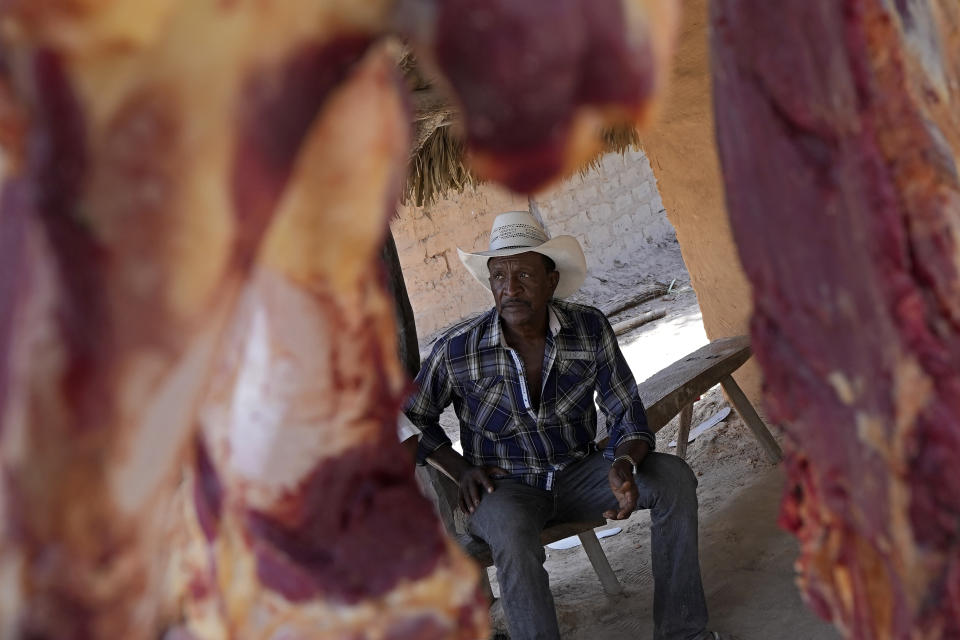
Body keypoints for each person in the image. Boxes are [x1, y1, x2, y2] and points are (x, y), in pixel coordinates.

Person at [401, 211, 728, 640]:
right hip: (505, 488)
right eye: (498, 275)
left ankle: (683, 632)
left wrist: (625, 464)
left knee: (673, 478)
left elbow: (625, 411)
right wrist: (460, 470)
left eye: (524, 274)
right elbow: (407, 417)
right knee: (514, 535)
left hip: (580, 473)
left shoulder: (588, 329)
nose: (510, 287)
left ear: (551, 280)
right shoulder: (459, 348)